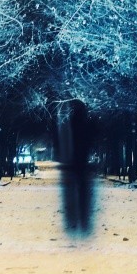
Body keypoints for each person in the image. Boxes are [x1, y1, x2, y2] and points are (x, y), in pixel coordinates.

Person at [60, 99, 96, 235]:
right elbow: (94, 138)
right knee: (83, 192)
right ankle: (84, 220)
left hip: (71, 163)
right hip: (83, 163)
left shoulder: (69, 124)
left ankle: (72, 221)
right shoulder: (88, 124)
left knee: (71, 192)